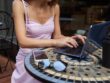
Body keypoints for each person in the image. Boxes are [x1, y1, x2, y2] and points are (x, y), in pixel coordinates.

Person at [11, 0, 86, 83]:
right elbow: (22, 41)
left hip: (48, 55)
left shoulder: (55, 7)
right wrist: (55, 42)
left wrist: (70, 39)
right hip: (27, 59)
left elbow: (57, 36)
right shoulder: (19, 4)